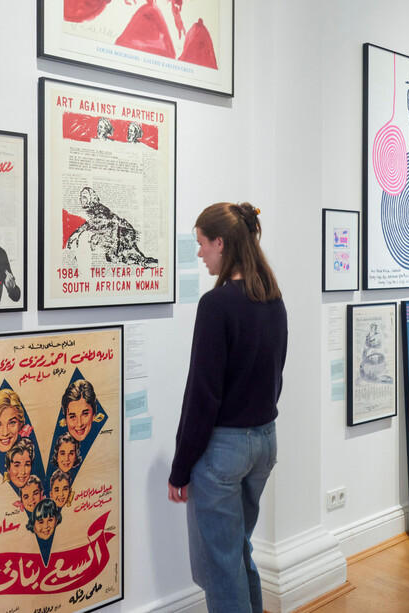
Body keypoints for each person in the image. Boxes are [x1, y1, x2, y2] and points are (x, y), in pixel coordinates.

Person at [168, 202, 287, 613]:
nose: (199, 253)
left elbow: (202, 397)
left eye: (201, 243)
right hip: (264, 444)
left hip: (224, 452)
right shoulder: (273, 299)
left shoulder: (215, 305)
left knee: (219, 568)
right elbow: (277, 378)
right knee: (236, 552)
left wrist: (180, 468)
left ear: (220, 242)